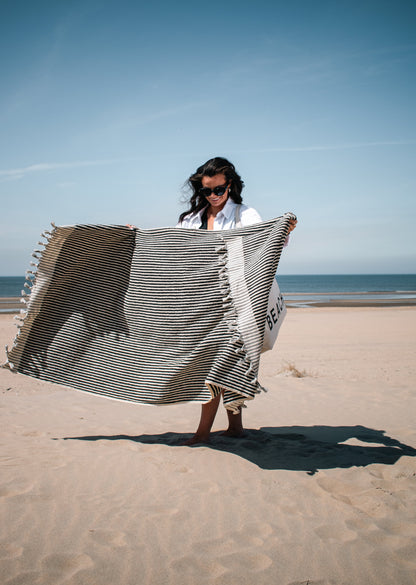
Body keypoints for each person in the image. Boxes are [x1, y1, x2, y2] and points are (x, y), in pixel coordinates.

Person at [177, 157, 297, 444]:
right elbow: (174, 251)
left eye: (219, 189)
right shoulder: (189, 220)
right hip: (203, 303)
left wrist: (283, 229)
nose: (214, 196)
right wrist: (136, 238)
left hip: (236, 304)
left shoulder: (246, 214)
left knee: (215, 364)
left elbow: (265, 242)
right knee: (230, 363)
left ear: (230, 185)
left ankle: (203, 432)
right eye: (207, 191)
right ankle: (235, 427)